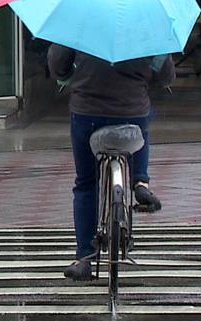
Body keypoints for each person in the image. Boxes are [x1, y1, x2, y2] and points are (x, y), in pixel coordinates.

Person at [48, 43, 174, 281]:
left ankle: (84, 257)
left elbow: (58, 63)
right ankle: (140, 182)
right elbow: (165, 75)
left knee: (86, 183)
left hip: (87, 113)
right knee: (142, 122)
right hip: (132, 110)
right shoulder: (144, 23)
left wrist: (68, 76)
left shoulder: (80, 16)